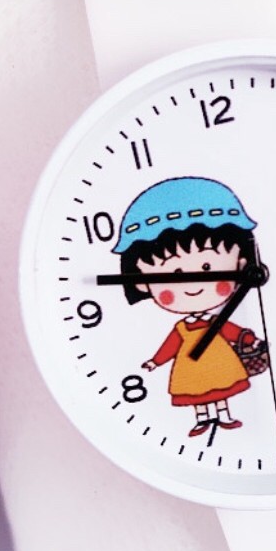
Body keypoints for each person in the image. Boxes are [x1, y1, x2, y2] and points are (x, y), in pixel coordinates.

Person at [113, 176, 260, 437]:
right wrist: (155, 362)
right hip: (192, 367)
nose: (193, 285)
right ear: (142, 282)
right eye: (176, 273)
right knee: (197, 391)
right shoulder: (182, 329)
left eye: (207, 267)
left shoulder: (214, 322)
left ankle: (224, 415)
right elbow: (170, 346)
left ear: (241, 264)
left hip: (217, 361)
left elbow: (231, 331)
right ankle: (203, 419)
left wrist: (249, 338)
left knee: (221, 387)